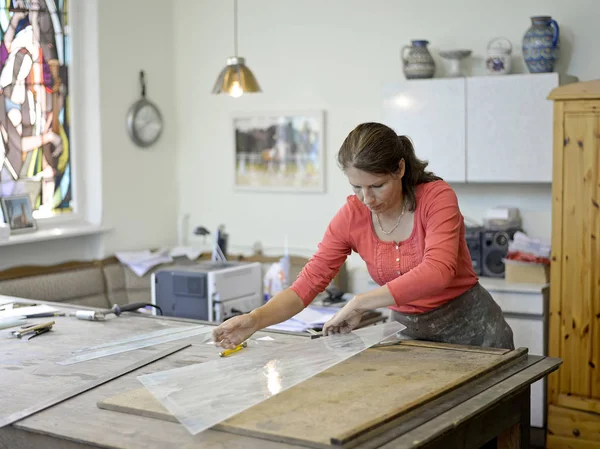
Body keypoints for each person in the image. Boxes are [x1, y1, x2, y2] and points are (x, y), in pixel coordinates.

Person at [213, 122, 515, 350]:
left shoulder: (436, 197)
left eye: (377, 186)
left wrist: (362, 301)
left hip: (476, 333)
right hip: (410, 336)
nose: (366, 198)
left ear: (399, 168)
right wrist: (256, 319)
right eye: (356, 187)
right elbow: (306, 285)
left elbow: (438, 271)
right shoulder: (352, 216)